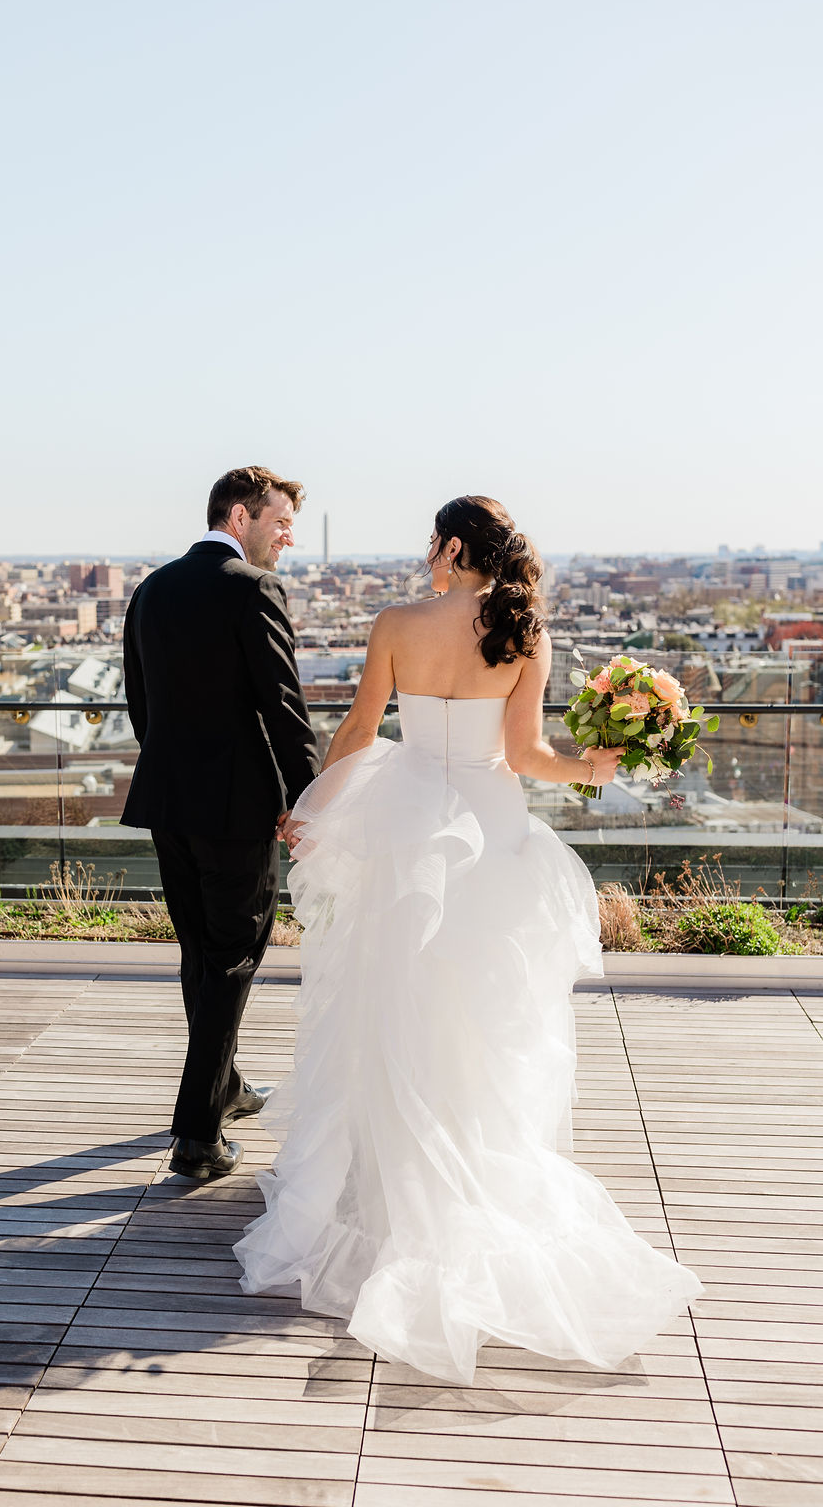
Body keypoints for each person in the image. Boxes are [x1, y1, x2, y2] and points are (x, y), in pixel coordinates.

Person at [234, 495, 704, 1383]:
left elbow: (361, 731)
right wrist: (595, 769)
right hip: (492, 836)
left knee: (391, 1004)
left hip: (407, 832)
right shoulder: (526, 631)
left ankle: (387, 1177)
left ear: (450, 546)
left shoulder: (396, 623)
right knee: (488, 1021)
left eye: (430, 544)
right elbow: (526, 757)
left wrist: (312, 808)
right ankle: (470, 1168)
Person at [121, 467, 320, 1182]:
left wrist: (177, 774)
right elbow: (282, 708)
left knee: (201, 954)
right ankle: (198, 1136)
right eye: (280, 522)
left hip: (167, 802)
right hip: (236, 809)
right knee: (236, 956)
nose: (288, 536)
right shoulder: (253, 588)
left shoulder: (152, 588)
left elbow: (141, 706)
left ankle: (226, 1085)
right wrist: (311, 801)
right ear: (240, 516)